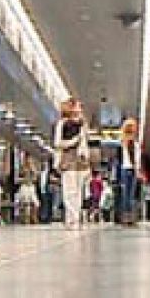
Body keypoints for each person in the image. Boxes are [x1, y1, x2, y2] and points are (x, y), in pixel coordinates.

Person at [53, 98, 91, 230]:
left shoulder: (83, 124)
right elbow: (57, 143)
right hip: (67, 158)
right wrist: (73, 141)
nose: (80, 108)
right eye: (77, 106)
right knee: (69, 191)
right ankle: (71, 219)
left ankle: (76, 218)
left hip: (81, 159)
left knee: (79, 191)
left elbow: (85, 142)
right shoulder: (62, 124)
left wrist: (87, 159)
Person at [116, 118, 142, 226]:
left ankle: (126, 218)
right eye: (134, 126)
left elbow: (119, 159)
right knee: (130, 195)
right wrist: (137, 171)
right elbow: (134, 159)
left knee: (126, 195)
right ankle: (130, 218)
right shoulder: (131, 142)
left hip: (125, 170)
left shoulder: (122, 142)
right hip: (130, 170)